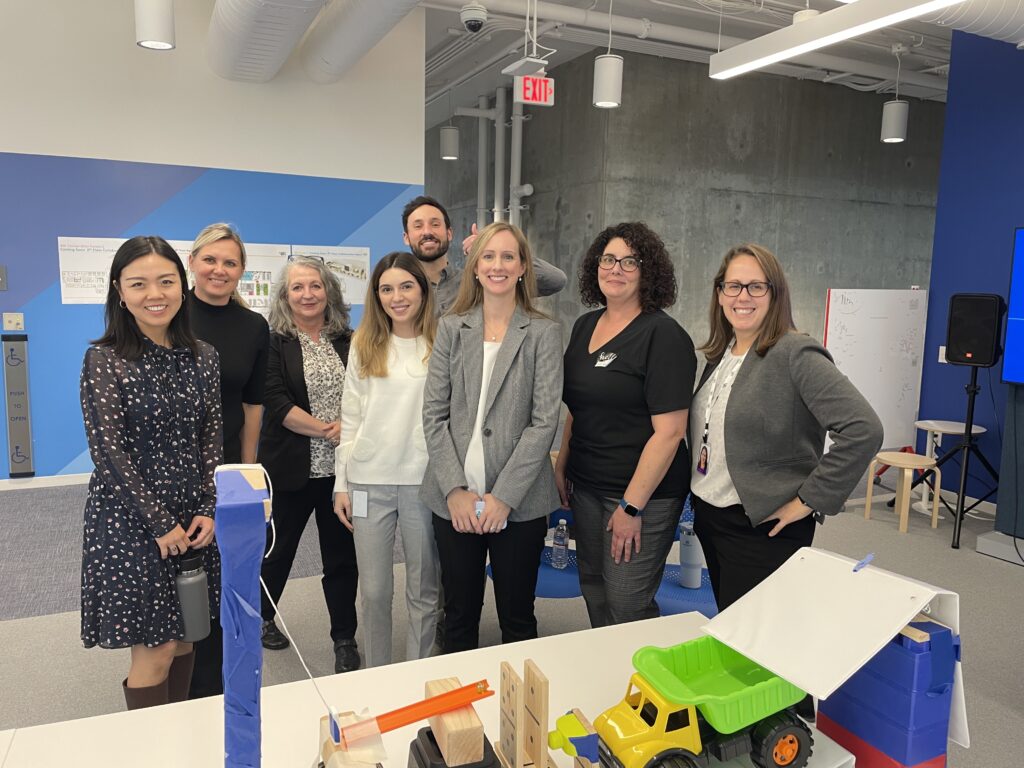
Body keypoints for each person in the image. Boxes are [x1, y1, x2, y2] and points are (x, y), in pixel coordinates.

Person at [689, 243, 883, 611]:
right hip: (713, 519)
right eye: (733, 286)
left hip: (762, 528)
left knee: (754, 642)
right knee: (731, 629)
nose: (742, 296)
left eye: (756, 286)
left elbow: (863, 429)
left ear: (775, 294)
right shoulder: (721, 354)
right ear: (719, 293)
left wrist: (809, 500)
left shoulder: (796, 353)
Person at [79, 235, 222, 709]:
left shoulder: (204, 355)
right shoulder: (105, 359)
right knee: (157, 647)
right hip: (133, 518)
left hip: (192, 513)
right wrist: (160, 523)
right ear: (120, 292)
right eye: (138, 283)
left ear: (183, 287)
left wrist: (207, 507)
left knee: (187, 637)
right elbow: (109, 453)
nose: (154, 294)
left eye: (165, 281)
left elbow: (211, 438)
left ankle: (175, 736)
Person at [421, 222, 563, 653]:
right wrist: (454, 490)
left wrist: (504, 497)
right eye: (488, 256)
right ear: (475, 267)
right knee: (459, 616)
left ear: (523, 267)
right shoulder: (451, 327)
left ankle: (518, 715)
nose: (497, 265)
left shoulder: (543, 332)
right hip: (455, 500)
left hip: (518, 503)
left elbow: (544, 422)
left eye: (508, 257)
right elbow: (433, 416)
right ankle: (457, 718)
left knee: (517, 616)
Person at [556, 222, 697, 627]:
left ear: (647, 271)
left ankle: (645, 688)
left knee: (627, 601)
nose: (615, 269)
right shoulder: (586, 325)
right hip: (586, 485)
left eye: (629, 261)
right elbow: (578, 406)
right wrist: (562, 464)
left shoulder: (663, 336)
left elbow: (670, 432)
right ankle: (610, 681)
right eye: (608, 259)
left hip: (642, 496)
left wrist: (631, 506)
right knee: (594, 588)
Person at [333, 252, 440, 667]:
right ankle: (376, 675)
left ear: (423, 288)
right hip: (366, 482)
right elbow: (351, 416)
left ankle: (420, 673)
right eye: (386, 288)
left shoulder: (442, 340)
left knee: (424, 589)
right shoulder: (364, 342)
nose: (397, 297)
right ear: (376, 295)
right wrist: (341, 484)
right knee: (375, 591)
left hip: (422, 484)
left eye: (406, 286)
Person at [258, 256, 360, 673]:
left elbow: (365, 393)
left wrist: (349, 431)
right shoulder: (272, 342)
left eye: (315, 286)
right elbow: (276, 403)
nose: (307, 294)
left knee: (342, 558)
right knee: (277, 552)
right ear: (285, 295)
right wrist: (327, 430)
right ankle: (260, 619)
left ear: (329, 291)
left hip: (342, 473)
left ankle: (344, 639)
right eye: (297, 287)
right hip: (290, 470)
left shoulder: (349, 339)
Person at [185, 222, 269, 699]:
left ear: (241, 271)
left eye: (230, 262)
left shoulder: (254, 327)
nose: (219, 270)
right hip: (175, 471)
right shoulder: (169, 316)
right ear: (193, 262)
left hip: (227, 470)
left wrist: (247, 474)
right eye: (210, 259)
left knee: (225, 579)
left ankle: (214, 689)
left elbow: (253, 405)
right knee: (178, 581)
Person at [401, 195, 567, 315]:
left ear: (449, 233)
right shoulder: (400, 291)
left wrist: (492, 247)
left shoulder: (481, 281)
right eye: (418, 226)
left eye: (435, 224)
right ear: (406, 238)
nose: (427, 232)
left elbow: (555, 280)